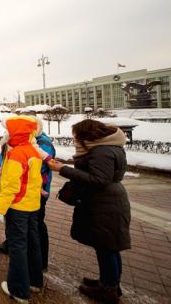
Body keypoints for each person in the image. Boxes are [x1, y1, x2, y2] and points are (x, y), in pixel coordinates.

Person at [48, 119, 130, 304]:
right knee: (107, 245)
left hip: (105, 203)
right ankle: (109, 282)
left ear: (86, 135)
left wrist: (63, 169)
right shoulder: (106, 147)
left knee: (107, 247)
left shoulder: (101, 151)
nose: (74, 139)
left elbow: (99, 179)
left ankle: (108, 289)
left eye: (76, 135)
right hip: (106, 201)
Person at [0, 115, 44, 303]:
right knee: (32, 242)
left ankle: (19, 289)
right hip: (32, 204)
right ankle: (35, 281)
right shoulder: (32, 151)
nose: (5, 135)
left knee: (17, 246)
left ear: (16, 133)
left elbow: (11, 185)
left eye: (8, 131)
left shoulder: (16, 154)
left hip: (18, 206)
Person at [0, 120, 56, 273]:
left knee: (32, 232)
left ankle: (26, 276)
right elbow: (1, 158)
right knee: (26, 233)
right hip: (27, 195)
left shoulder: (37, 145)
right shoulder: (23, 146)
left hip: (27, 195)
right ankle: (35, 274)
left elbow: (39, 165)